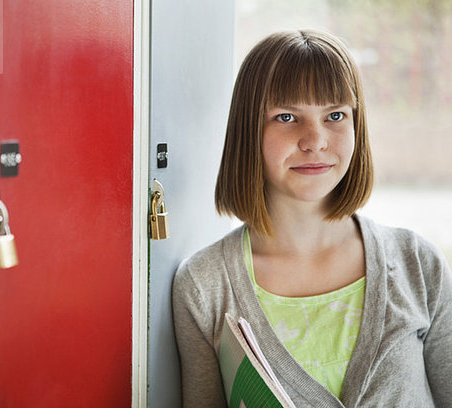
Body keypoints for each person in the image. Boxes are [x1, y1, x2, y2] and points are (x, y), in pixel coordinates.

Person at [172, 29, 452, 408]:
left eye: (335, 115)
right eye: (287, 117)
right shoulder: (205, 286)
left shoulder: (417, 263)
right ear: (248, 130)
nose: (315, 140)